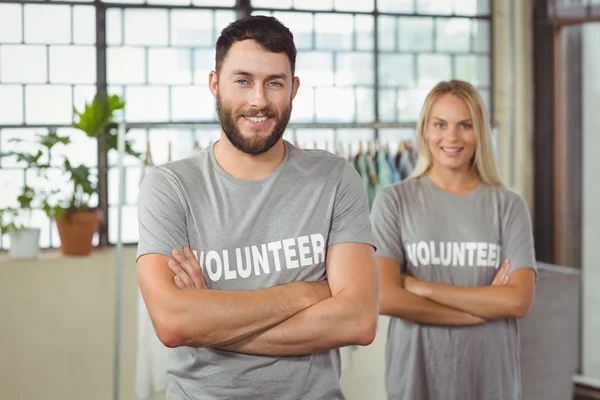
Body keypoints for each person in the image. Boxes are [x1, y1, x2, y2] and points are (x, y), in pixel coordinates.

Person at [135, 15, 380, 400]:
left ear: (294, 88)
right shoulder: (169, 187)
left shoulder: (335, 179)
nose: (259, 101)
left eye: (275, 83)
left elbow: (358, 321)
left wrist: (211, 320)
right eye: (242, 80)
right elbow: (173, 323)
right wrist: (306, 293)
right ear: (215, 84)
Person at [371, 80, 537, 400]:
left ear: (481, 132)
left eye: (465, 125)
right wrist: (478, 308)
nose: (451, 137)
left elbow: (517, 300)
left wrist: (423, 287)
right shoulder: (394, 201)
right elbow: (385, 297)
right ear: (425, 130)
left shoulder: (508, 205)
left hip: (491, 381)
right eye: (440, 125)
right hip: (416, 380)